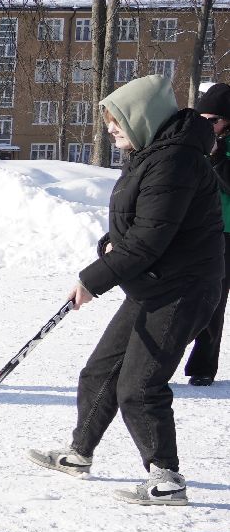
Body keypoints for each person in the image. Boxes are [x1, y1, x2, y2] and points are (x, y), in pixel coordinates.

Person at [28, 74, 224, 506]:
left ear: (141, 117)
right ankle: (79, 453)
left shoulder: (176, 160)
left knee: (139, 385)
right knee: (101, 371)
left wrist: (92, 279)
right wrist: (109, 248)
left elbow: (150, 239)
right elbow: (138, 228)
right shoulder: (151, 154)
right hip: (153, 281)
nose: (110, 128)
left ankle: (167, 478)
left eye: (116, 120)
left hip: (183, 288)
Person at [182, 81, 230, 386]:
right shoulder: (199, 145)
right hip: (210, 233)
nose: (207, 126)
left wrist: (217, 157)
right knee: (207, 302)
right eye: (202, 120)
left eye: (213, 120)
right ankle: (202, 367)